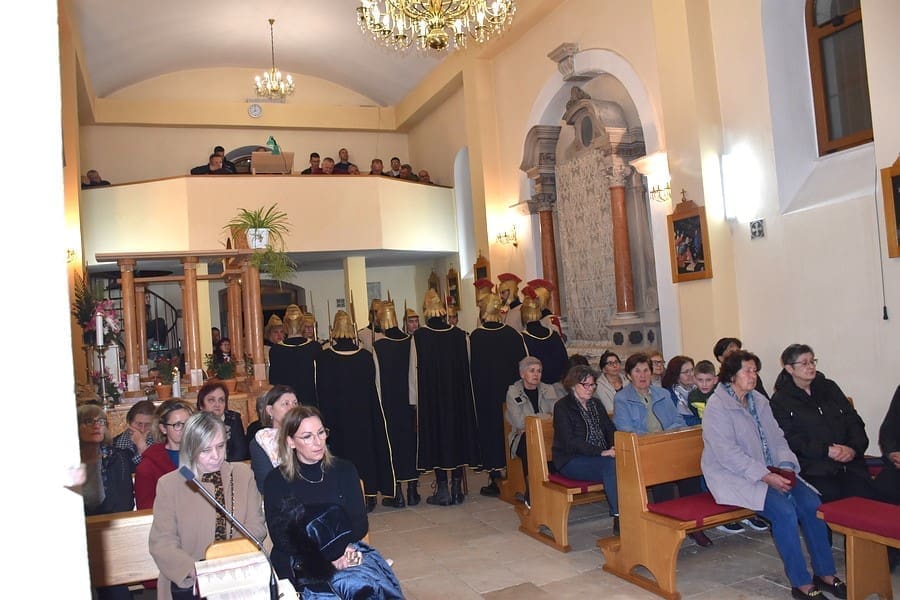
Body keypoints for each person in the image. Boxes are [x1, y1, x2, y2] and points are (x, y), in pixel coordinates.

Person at [701, 350, 846, 600]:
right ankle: (801, 583)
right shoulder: (717, 406)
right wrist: (765, 476)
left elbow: (778, 438)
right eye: (747, 371)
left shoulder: (759, 400)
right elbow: (727, 454)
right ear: (732, 375)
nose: (753, 375)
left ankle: (825, 573)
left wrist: (786, 465)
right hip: (734, 475)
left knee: (812, 504)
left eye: (755, 371)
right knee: (784, 512)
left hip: (771, 469)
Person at [263, 406, 403, 598]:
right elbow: (282, 537)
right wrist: (328, 558)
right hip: (300, 561)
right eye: (307, 436)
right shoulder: (276, 480)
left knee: (371, 587)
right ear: (291, 441)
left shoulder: (344, 470)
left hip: (345, 550)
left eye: (321, 433)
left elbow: (359, 523)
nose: (318, 441)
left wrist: (340, 552)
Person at [149, 412, 266, 600]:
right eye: (205, 450)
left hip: (238, 574)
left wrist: (227, 562)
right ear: (190, 449)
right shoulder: (169, 484)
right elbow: (162, 542)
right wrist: (196, 571)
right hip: (191, 582)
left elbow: (256, 526)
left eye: (220, 446)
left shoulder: (242, 474)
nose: (216, 456)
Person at [613, 352, 711, 546]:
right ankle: (665, 528)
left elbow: (677, 420)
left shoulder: (663, 394)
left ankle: (693, 525)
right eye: (637, 371)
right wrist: (655, 441)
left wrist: (669, 437)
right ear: (629, 375)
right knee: (662, 477)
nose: (643, 375)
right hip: (643, 450)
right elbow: (626, 430)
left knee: (690, 471)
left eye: (646, 370)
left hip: (667, 446)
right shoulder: (622, 399)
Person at [771, 344, 880, 504]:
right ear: (789, 368)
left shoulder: (829, 387)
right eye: (804, 363)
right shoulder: (781, 399)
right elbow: (790, 438)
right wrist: (826, 450)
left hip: (849, 461)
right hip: (814, 467)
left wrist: (853, 449)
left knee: (867, 498)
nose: (810, 366)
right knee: (830, 499)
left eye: (812, 361)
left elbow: (854, 421)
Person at [314, 310, 396, 511]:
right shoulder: (365, 357)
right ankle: (368, 495)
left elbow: (320, 393)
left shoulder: (324, 358)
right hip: (363, 418)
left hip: (336, 420)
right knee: (364, 454)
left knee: (341, 457)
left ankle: (345, 496)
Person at [410, 288, 479, 505]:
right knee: (457, 437)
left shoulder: (419, 337)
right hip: (457, 397)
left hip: (431, 399)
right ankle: (456, 487)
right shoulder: (460, 335)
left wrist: (414, 400)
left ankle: (443, 489)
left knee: (436, 438)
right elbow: (468, 367)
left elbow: (413, 370)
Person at [470, 292, 527, 497]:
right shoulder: (513, 335)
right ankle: (513, 473)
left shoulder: (476, 337)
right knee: (510, 431)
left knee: (491, 433)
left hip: (485, 395)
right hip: (511, 395)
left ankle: (495, 476)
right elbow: (524, 365)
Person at [551, 365, 619, 532]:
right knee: (611, 466)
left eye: (593, 384)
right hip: (571, 460)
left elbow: (609, 428)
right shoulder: (562, 407)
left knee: (625, 463)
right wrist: (601, 452)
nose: (590, 389)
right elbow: (569, 441)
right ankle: (619, 517)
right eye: (585, 385)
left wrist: (614, 445)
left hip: (599, 457)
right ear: (573, 385)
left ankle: (636, 513)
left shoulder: (596, 404)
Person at [78, 403, 134, 600]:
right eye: (88, 421)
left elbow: (125, 501)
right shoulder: (70, 461)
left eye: (101, 421)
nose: (96, 426)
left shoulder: (117, 457)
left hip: (112, 533)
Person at [372, 299, 420, 507]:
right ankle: (412, 491)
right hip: (408, 402)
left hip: (389, 404)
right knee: (410, 444)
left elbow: (377, 380)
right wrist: (414, 400)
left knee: (393, 446)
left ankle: (397, 493)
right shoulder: (410, 341)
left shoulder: (379, 346)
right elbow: (414, 374)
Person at [505, 356, 558, 507]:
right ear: (522, 374)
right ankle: (532, 491)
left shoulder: (548, 389)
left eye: (539, 371)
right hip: (522, 437)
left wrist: (533, 419)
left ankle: (554, 489)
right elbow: (519, 422)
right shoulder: (513, 392)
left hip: (547, 434)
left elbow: (557, 415)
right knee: (530, 445)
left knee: (558, 444)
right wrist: (545, 416)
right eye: (532, 371)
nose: (536, 374)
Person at [135, 399, 195, 509]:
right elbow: (146, 509)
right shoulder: (148, 466)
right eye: (177, 425)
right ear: (163, 428)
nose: (185, 429)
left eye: (188, 424)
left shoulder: (204, 455)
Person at [249, 385, 300, 493]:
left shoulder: (306, 434)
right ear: (270, 410)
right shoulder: (261, 441)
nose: (292, 408)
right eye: (285, 404)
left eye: (295, 403)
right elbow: (265, 485)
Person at [519, 286, 567, 385]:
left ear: (523, 314)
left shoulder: (522, 338)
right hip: (559, 386)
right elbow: (565, 362)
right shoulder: (554, 334)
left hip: (538, 388)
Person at [196, 381, 249, 462]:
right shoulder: (195, 424)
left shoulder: (233, 419)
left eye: (221, 400)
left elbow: (240, 452)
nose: (217, 404)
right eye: (211, 400)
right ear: (201, 405)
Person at [112, 399, 156, 467]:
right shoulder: (115, 443)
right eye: (139, 424)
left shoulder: (160, 442)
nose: (142, 429)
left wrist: (142, 448)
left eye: (148, 425)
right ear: (129, 422)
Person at [662, 355, 700, 426]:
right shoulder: (668, 395)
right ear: (676, 375)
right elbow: (682, 420)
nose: (691, 374)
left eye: (692, 370)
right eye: (686, 372)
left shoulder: (700, 389)